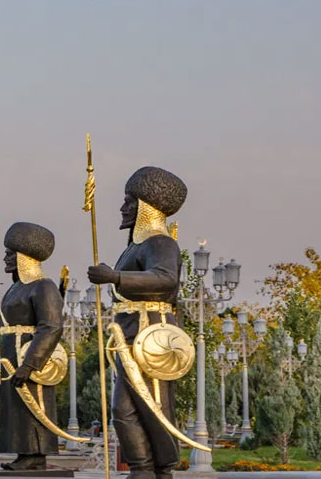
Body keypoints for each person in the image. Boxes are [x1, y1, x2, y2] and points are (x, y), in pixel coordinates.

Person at [87, 167, 188, 479]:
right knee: (123, 410)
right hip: (129, 331)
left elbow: (165, 278)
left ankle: (161, 468)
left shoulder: (161, 243)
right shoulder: (134, 247)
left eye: (129, 201)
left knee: (154, 404)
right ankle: (141, 468)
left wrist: (115, 277)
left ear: (146, 207)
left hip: (152, 332)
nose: (123, 207)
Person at [0, 221, 66, 471]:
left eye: (10, 253)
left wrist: (30, 364)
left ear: (25, 257)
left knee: (32, 403)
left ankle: (35, 455)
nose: (5, 258)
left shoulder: (44, 286)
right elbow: (7, 317)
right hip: (10, 354)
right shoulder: (17, 288)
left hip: (29, 355)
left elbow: (51, 326)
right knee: (15, 406)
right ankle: (23, 453)